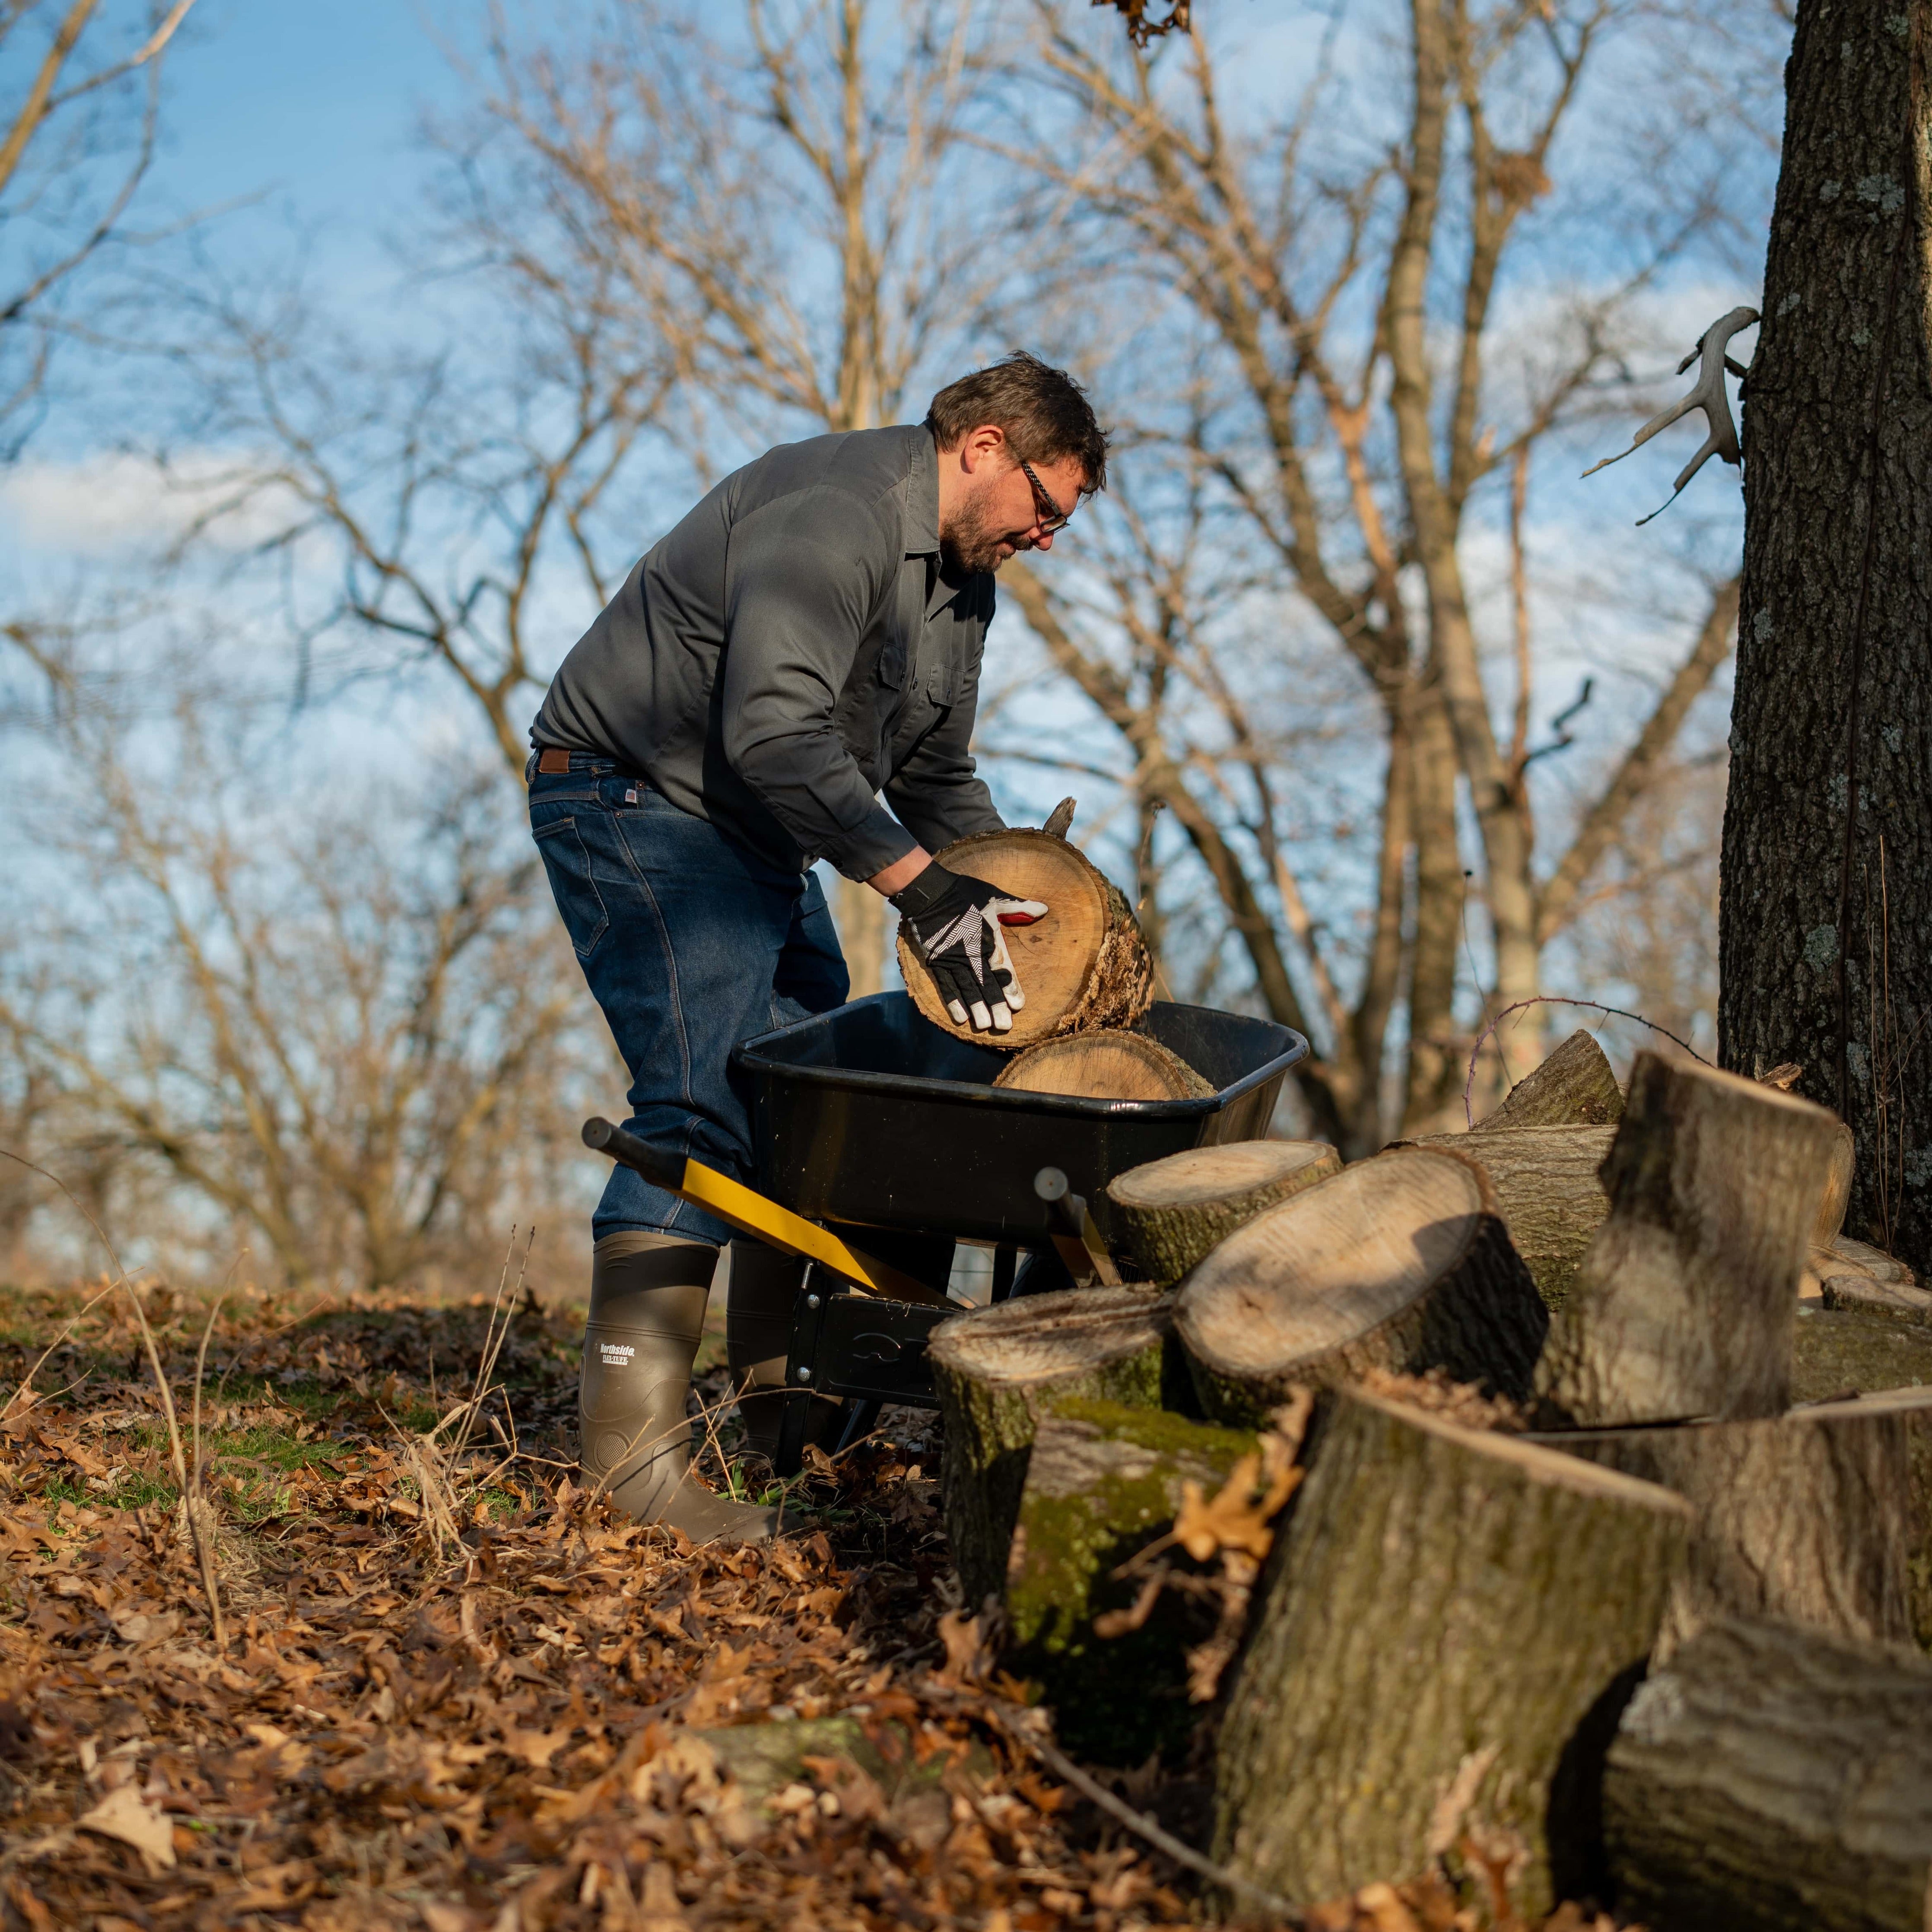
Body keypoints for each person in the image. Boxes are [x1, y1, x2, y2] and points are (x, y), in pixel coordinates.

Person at [527, 352, 1110, 1540]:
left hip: (752, 836)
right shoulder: (835, 518)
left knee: (812, 1093)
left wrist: (1005, 891)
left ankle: (787, 1419)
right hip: (636, 802)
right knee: (706, 1100)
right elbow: (777, 732)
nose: (1049, 537)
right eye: (1046, 507)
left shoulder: (964, 586)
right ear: (985, 447)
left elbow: (935, 773)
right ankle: (633, 1475)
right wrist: (919, 894)